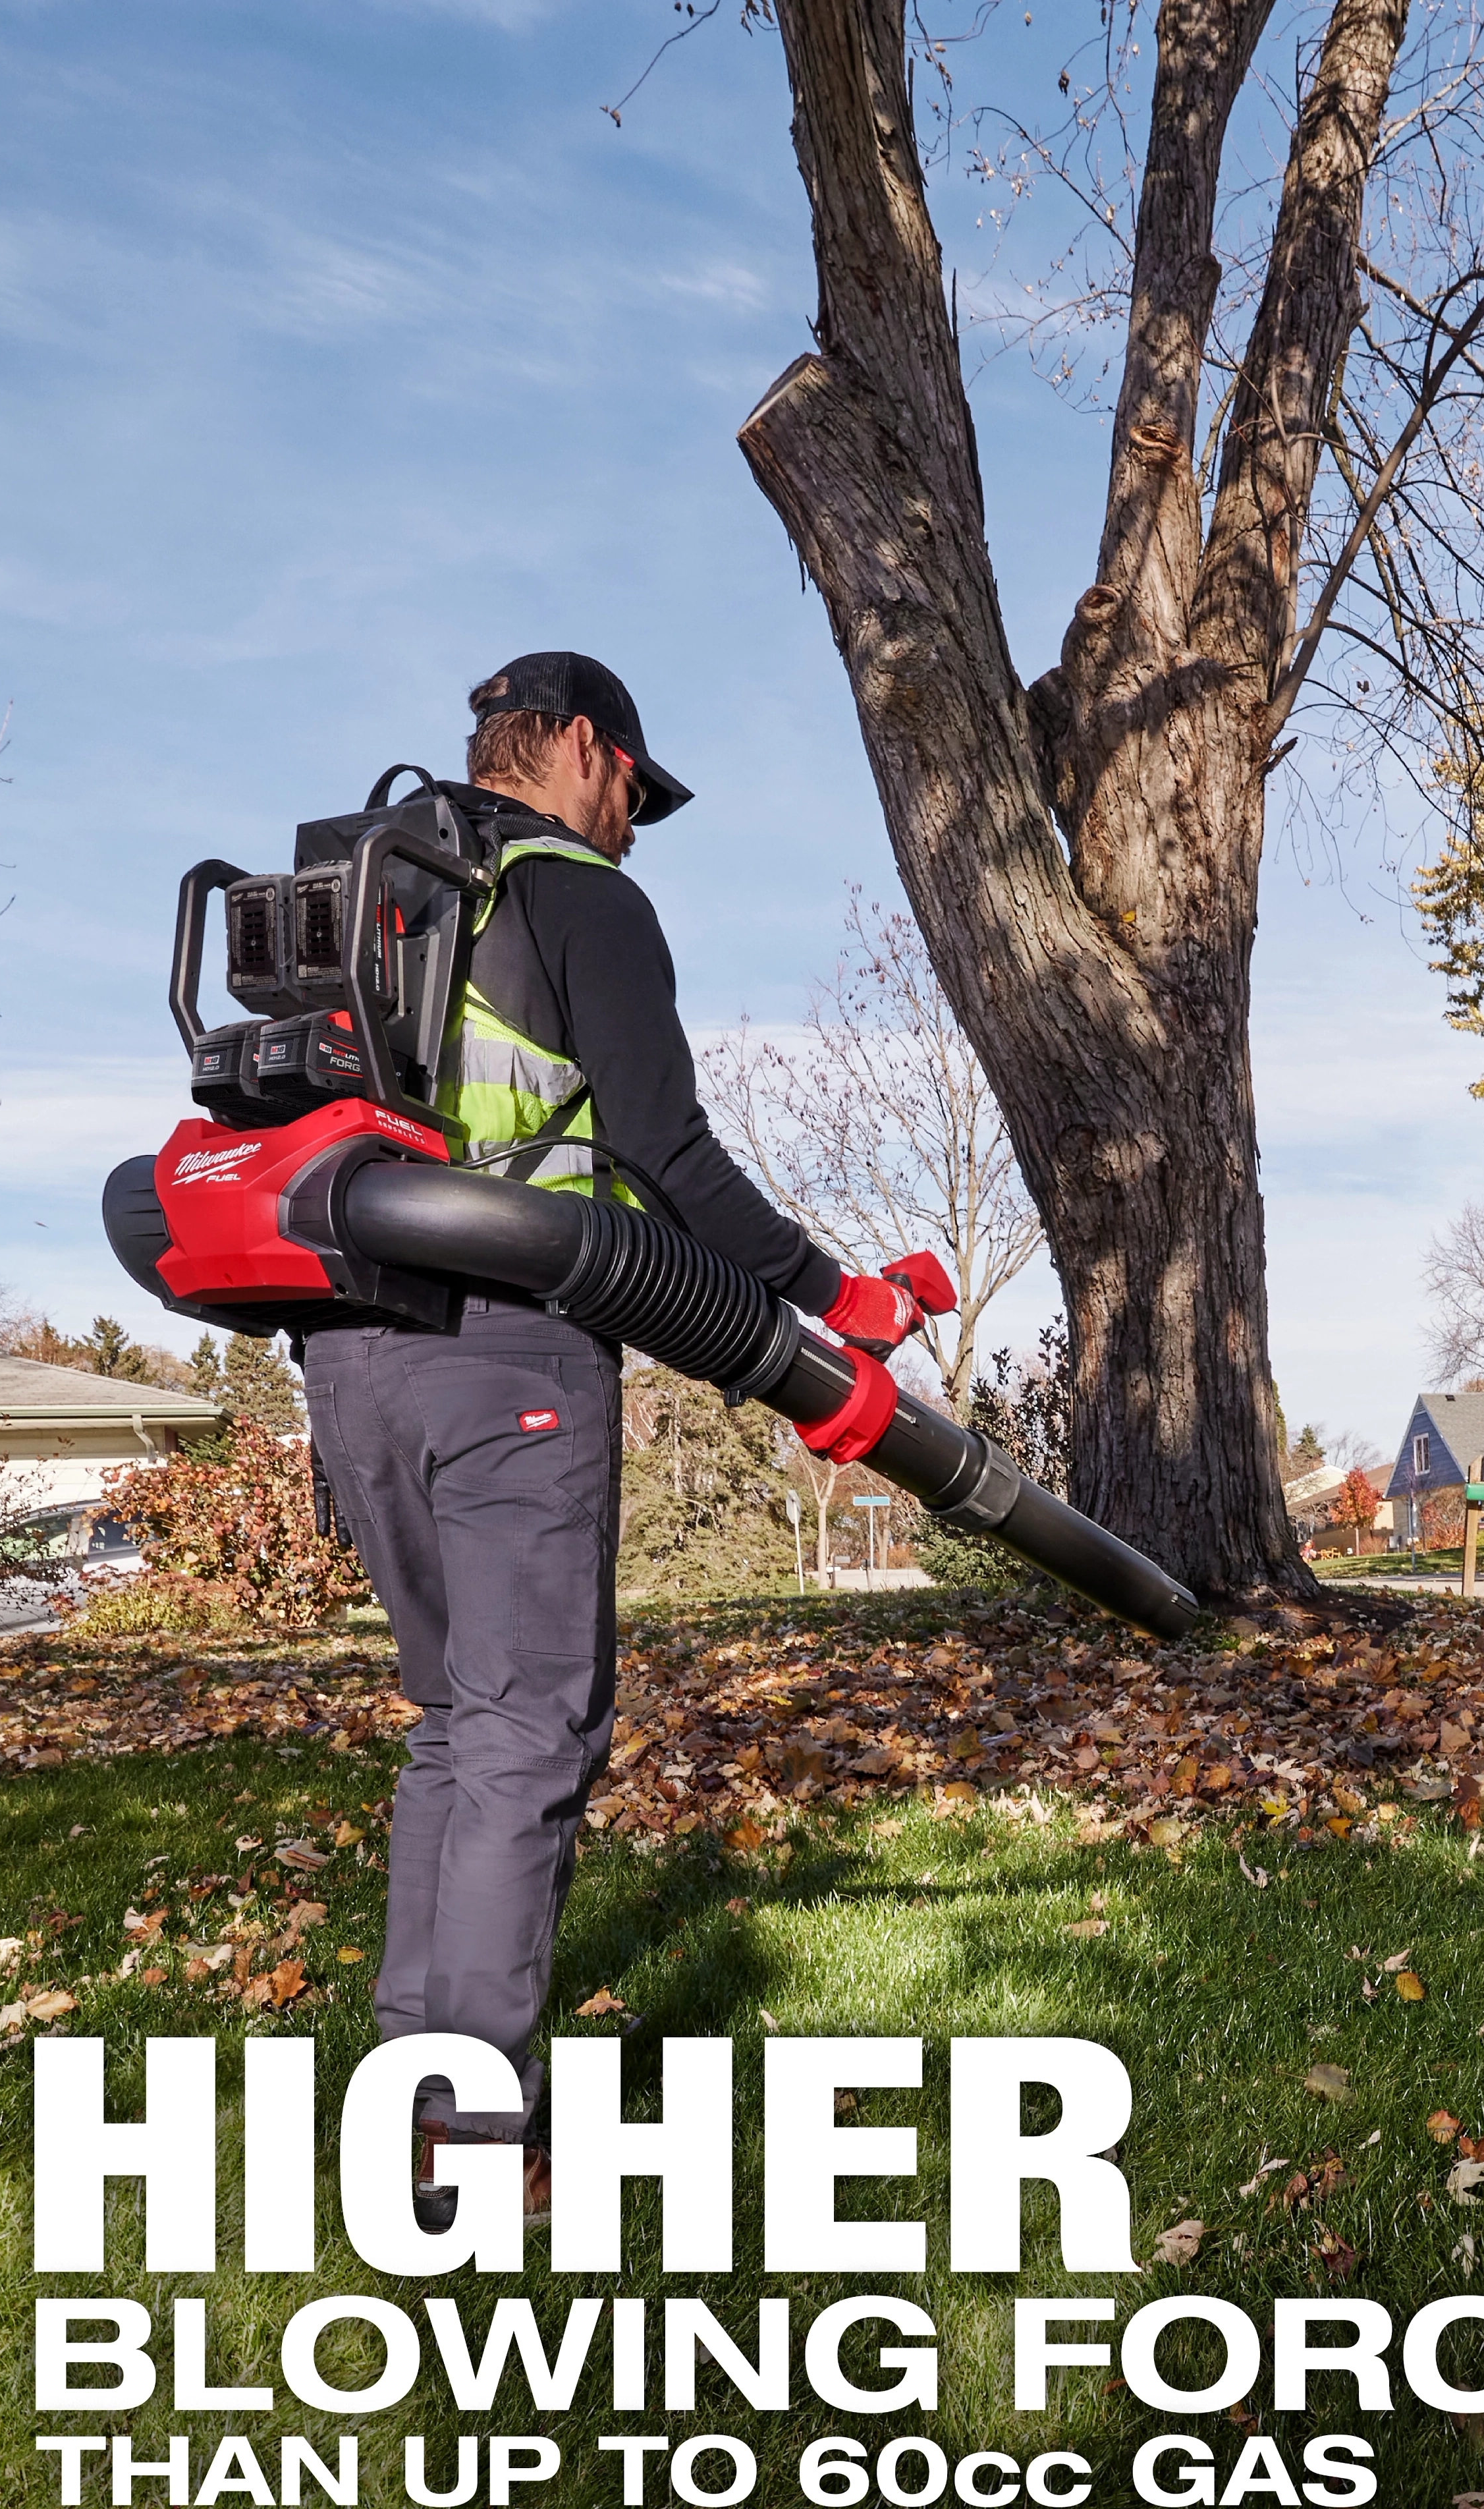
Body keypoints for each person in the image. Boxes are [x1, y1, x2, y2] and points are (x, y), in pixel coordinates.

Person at [298, 651, 948, 2223]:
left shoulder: (360, 888)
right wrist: (830, 1291)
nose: (634, 826)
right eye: (631, 793)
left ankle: (411, 2088)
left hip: (345, 1352)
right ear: (581, 748)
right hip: (506, 1344)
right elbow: (661, 1151)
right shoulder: (577, 895)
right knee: (527, 1732)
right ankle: (474, 2139)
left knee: (456, 1720)